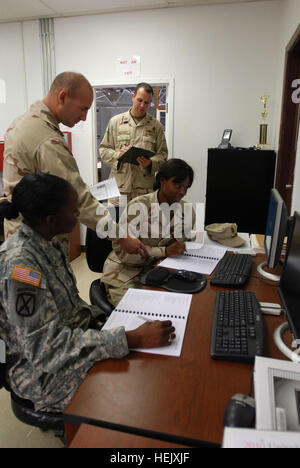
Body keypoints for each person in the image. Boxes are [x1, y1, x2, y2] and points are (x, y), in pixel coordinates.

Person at [0, 173, 175, 413]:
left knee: (150, 366)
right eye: (73, 211)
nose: (78, 216)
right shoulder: (20, 267)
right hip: (40, 373)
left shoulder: (48, 242)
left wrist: (111, 324)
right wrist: (132, 338)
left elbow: (70, 309)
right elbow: (42, 349)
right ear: (50, 219)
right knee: (133, 395)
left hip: (73, 338)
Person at [3, 71, 146, 257]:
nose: (85, 117)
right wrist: (120, 236)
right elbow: (77, 197)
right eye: (83, 109)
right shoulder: (46, 139)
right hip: (36, 244)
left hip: (22, 238)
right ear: (62, 97)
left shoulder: (23, 122)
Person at [101, 159, 195, 307]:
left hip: (159, 272)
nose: (182, 192)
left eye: (186, 187)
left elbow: (183, 244)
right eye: (178, 185)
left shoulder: (186, 210)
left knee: (179, 308)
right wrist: (164, 251)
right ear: (162, 180)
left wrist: (179, 249)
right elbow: (125, 253)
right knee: (138, 314)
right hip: (125, 272)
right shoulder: (139, 206)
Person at [100, 82, 168, 206]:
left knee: (143, 225)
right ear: (133, 96)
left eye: (146, 102)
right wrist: (118, 155)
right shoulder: (115, 122)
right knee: (117, 224)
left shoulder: (155, 126)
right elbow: (104, 150)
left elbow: (163, 155)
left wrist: (150, 163)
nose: (142, 105)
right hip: (119, 191)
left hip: (144, 192)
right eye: (139, 100)